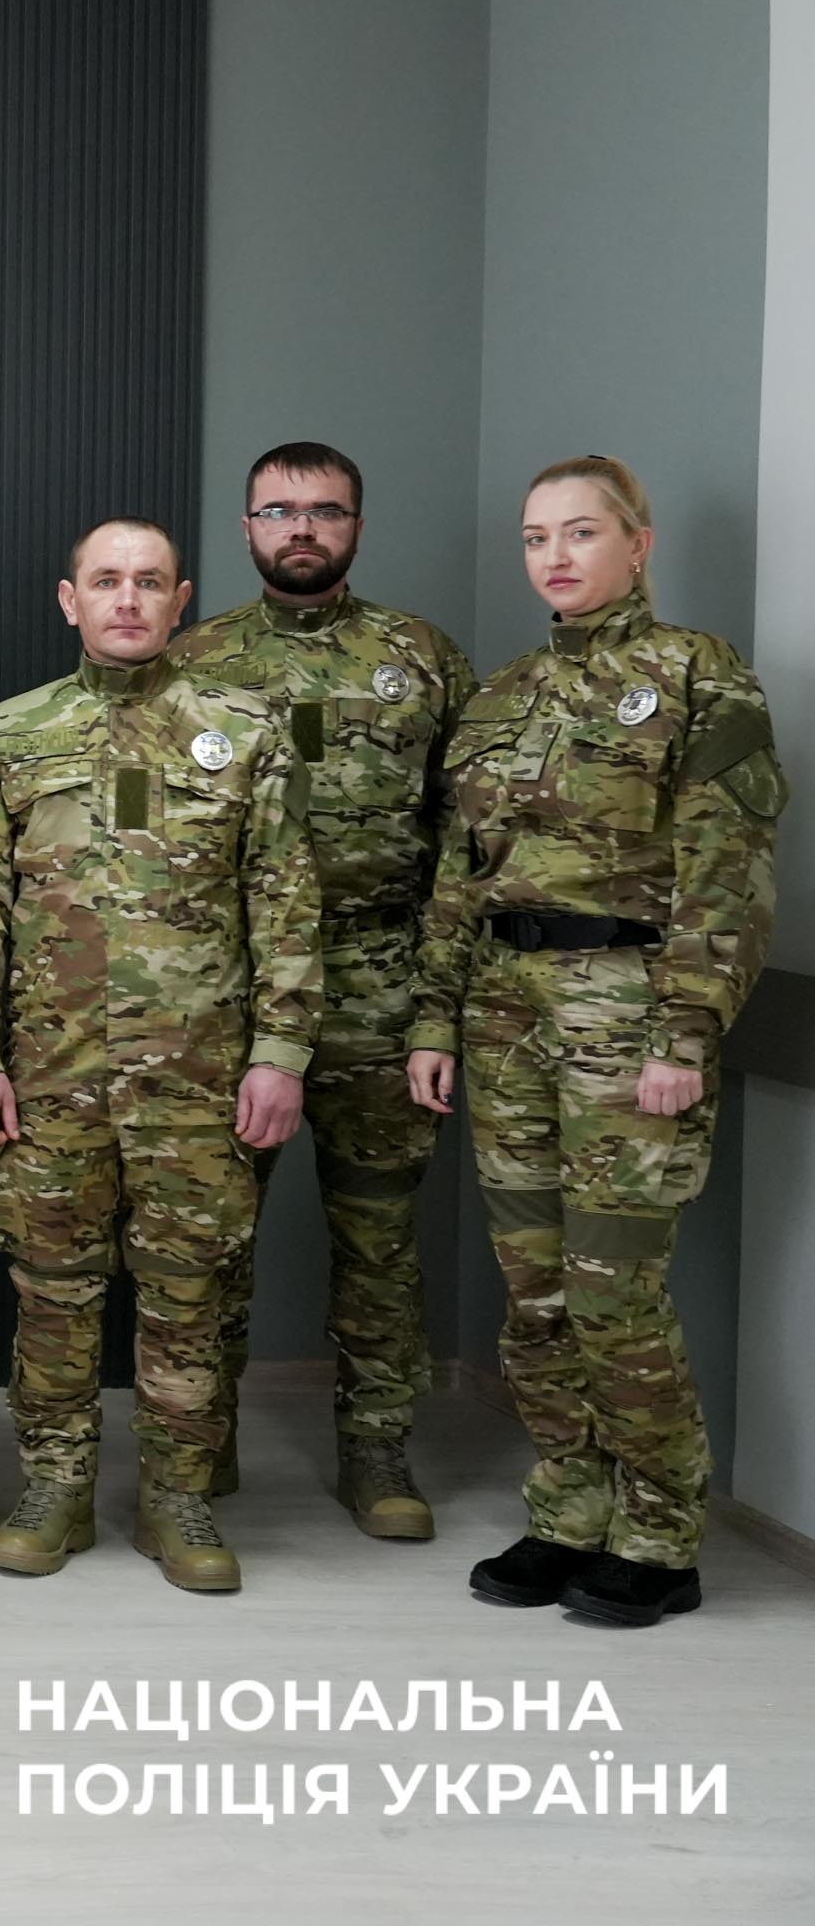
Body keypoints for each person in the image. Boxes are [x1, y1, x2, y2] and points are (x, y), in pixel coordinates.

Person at [410, 456, 784, 1630]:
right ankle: (570, 1507)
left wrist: (688, 1028)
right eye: (536, 537)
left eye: (580, 531)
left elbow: (727, 872)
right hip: (506, 1013)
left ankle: (660, 1530)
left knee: (614, 1288)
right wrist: (433, 1015)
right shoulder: (501, 696)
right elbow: (459, 878)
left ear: (639, 542)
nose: (556, 556)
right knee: (533, 1293)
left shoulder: (698, 675)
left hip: (629, 1013)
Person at [0, 519, 319, 1594]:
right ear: (71, 601)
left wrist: (281, 1051)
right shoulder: (14, 733)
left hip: (197, 1078)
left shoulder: (244, 730)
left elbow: (286, 902)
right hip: (50, 1074)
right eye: (106, 581)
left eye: (150, 581)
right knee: (52, 1294)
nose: (128, 599)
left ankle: (176, 1497)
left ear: (180, 599)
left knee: (187, 1296)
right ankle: (54, 1489)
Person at [172, 441, 470, 1541]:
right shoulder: (195, 659)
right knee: (211, 1232)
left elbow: (465, 840)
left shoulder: (421, 657)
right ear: (246, 525)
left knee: (380, 1237)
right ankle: (200, 1444)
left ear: (356, 526)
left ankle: (377, 1447)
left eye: (325, 511)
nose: (301, 528)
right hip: (233, 989)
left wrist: (437, 1007)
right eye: (278, 510)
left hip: (380, 985)